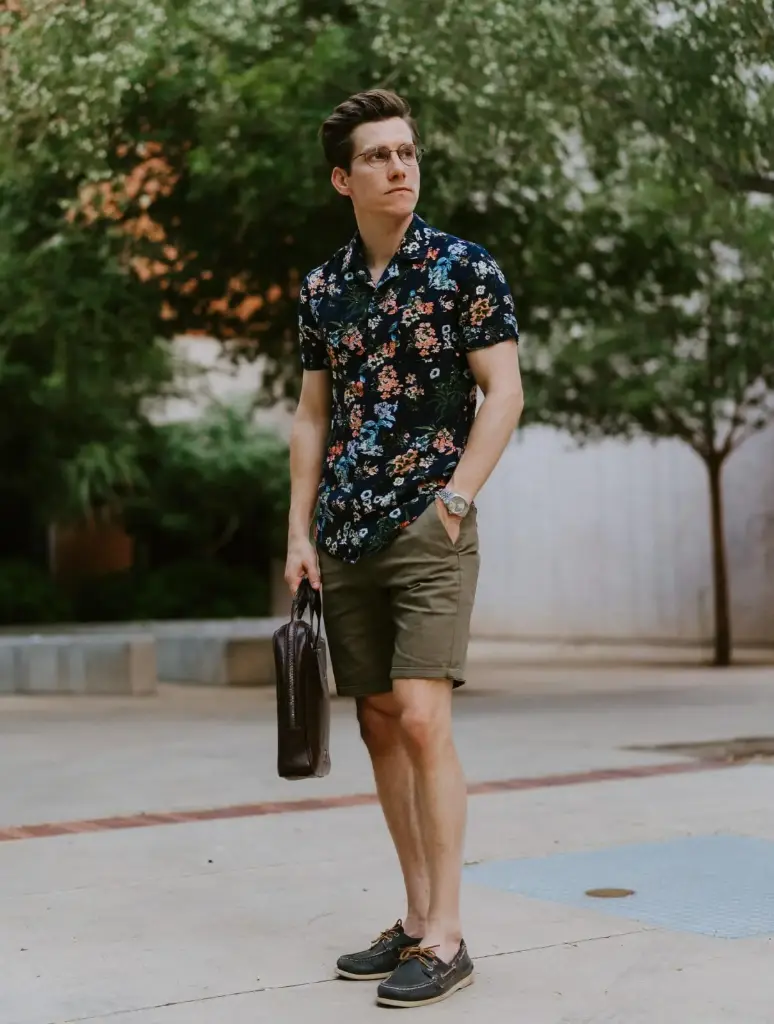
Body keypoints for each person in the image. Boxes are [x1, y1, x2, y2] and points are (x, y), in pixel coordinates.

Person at [285, 89, 523, 1009]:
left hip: (430, 527)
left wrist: (456, 500)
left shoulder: (464, 268)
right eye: (379, 155)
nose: (399, 167)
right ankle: (417, 917)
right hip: (345, 531)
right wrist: (299, 532)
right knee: (379, 722)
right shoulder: (322, 289)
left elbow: (504, 392)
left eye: (408, 151)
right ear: (343, 179)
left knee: (424, 718)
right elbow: (313, 415)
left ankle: (450, 935)